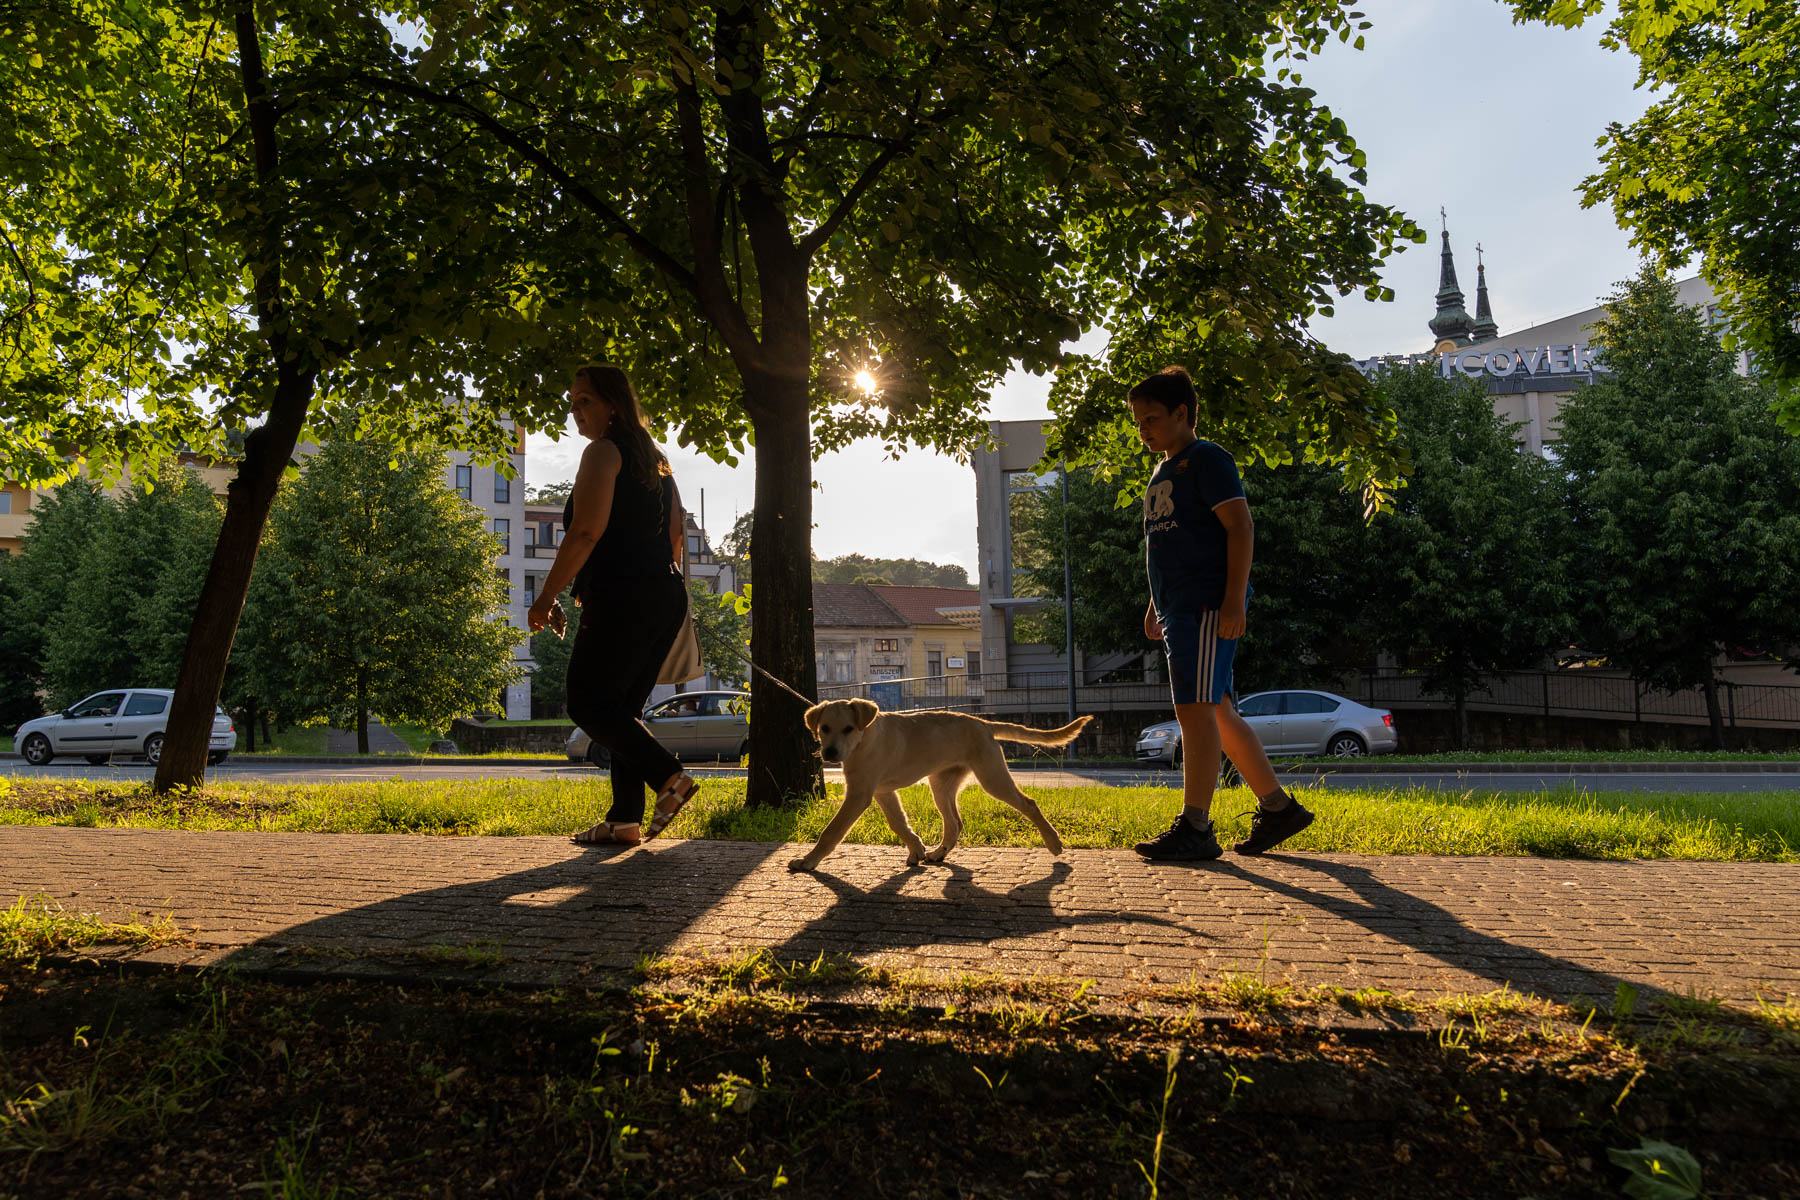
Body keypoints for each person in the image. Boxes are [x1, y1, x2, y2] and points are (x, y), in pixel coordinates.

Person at [1127, 366, 1314, 861]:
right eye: (1138, 421)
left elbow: (1240, 527)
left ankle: (1195, 826)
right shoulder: (1164, 468)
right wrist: (1155, 602)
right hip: (1178, 607)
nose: (1143, 428)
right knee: (1219, 713)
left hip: (1206, 605)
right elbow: (1167, 544)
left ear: (1181, 413)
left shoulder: (1207, 458)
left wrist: (1234, 601)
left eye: (1151, 418)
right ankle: (1279, 810)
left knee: (1194, 711)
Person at [527, 363, 698, 845]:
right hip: (661, 593)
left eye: (584, 401)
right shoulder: (657, 461)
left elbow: (585, 531)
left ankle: (670, 776)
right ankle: (625, 820)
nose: (574, 410)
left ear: (613, 405)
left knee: (588, 701)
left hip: (623, 594)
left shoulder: (602, 453)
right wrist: (659, 588)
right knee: (624, 709)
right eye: (571, 401)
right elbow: (675, 532)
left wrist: (546, 597)